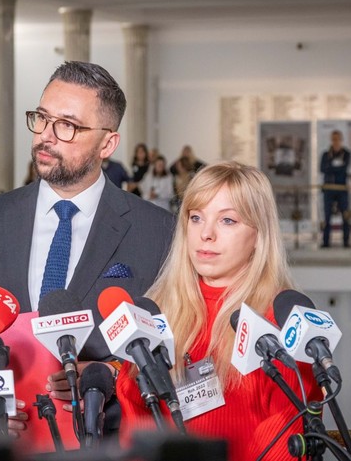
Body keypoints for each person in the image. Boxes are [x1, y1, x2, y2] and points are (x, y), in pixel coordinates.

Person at [0, 61, 174, 448]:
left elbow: (174, 345)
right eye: (42, 118)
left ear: (107, 144)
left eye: (67, 125)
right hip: (1, 447)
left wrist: (112, 375)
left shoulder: (158, 231)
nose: (45, 136)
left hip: (106, 445)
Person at [117, 161, 321, 461]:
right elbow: (135, 419)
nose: (206, 234)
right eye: (196, 217)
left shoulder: (281, 320)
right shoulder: (155, 311)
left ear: (259, 234)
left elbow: (287, 432)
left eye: (227, 220)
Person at [320, 130, 351, 247]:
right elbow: (322, 169)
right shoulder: (326, 154)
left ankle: (346, 241)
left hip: (342, 189)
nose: (335, 141)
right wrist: (336, 167)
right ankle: (326, 242)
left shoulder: (346, 154)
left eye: (337, 139)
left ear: (341, 140)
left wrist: (331, 167)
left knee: (345, 216)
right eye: (333, 139)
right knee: (327, 216)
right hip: (329, 188)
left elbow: (343, 169)